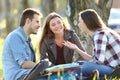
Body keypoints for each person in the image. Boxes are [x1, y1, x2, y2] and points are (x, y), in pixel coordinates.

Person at [63, 9, 120, 79]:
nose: (78, 25)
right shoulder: (98, 34)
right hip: (111, 68)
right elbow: (95, 59)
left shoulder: (100, 34)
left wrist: (83, 65)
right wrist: (76, 49)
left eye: (80, 22)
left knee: (83, 67)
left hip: (116, 71)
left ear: (86, 22)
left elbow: (98, 61)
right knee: (78, 64)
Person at [2, 8, 49, 80]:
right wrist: (43, 67)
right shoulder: (15, 36)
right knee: (45, 70)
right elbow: (24, 64)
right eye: (37, 22)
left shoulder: (28, 40)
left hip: (25, 75)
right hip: (17, 77)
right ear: (28, 21)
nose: (39, 25)